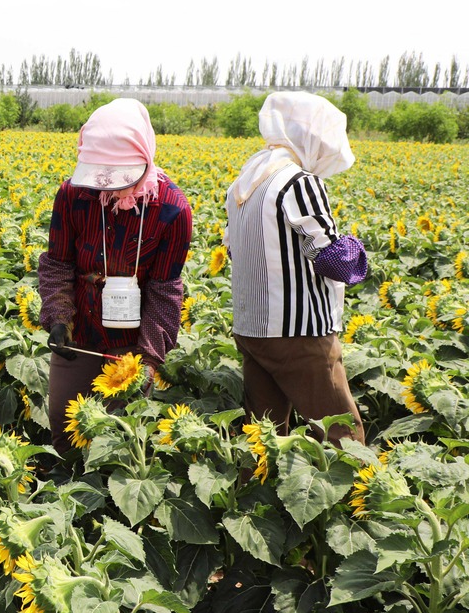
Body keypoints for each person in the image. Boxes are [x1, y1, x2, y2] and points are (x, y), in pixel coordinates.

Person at [37, 99, 193, 456]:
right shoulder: (74, 195)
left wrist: (149, 358)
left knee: (122, 441)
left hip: (133, 341)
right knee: (65, 427)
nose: (109, 185)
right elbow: (58, 263)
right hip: (79, 332)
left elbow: (165, 289)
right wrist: (58, 317)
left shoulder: (171, 209)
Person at [225, 92, 367, 444]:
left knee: (265, 436)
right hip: (299, 333)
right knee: (342, 436)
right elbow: (332, 258)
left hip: (253, 330)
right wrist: (358, 251)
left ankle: (253, 496)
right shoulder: (298, 182)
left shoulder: (247, 182)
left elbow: (234, 250)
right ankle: (356, 499)